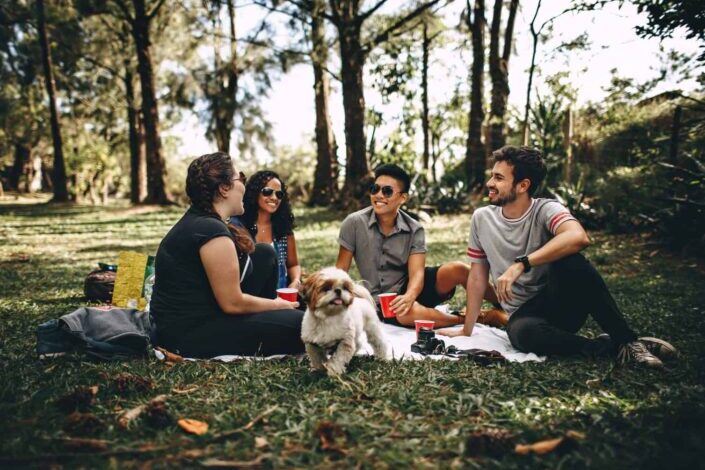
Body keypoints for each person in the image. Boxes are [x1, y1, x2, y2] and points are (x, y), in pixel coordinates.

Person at [438, 146, 676, 368]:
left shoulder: (546, 209)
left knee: (572, 261)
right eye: (492, 175)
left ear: (523, 185)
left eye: (499, 178)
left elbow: (578, 237)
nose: (490, 183)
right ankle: (613, 346)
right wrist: (466, 329)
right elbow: (478, 277)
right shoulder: (482, 218)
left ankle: (629, 340)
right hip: (525, 317)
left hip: (561, 304)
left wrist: (522, 264)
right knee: (522, 334)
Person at [150, 152, 304, 358]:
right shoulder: (210, 231)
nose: (244, 184)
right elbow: (232, 303)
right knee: (306, 326)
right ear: (224, 189)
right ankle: (276, 318)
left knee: (264, 253)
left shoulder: (203, 221)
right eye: (240, 177)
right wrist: (278, 304)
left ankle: (273, 318)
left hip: (204, 314)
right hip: (190, 333)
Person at [336, 163, 499, 328]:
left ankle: (505, 305)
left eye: (387, 191)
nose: (379, 195)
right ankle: (477, 318)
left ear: (403, 198)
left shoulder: (414, 228)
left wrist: (409, 296)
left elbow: (417, 275)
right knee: (405, 313)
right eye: (375, 189)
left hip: (413, 287)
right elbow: (340, 271)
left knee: (458, 269)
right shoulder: (354, 223)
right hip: (382, 301)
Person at [238, 170, 302, 290]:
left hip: (281, 297)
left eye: (279, 194)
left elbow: (293, 264)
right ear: (255, 193)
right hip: (250, 299)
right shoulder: (240, 227)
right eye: (267, 192)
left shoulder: (283, 229)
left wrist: (296, 281)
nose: (274, 198)